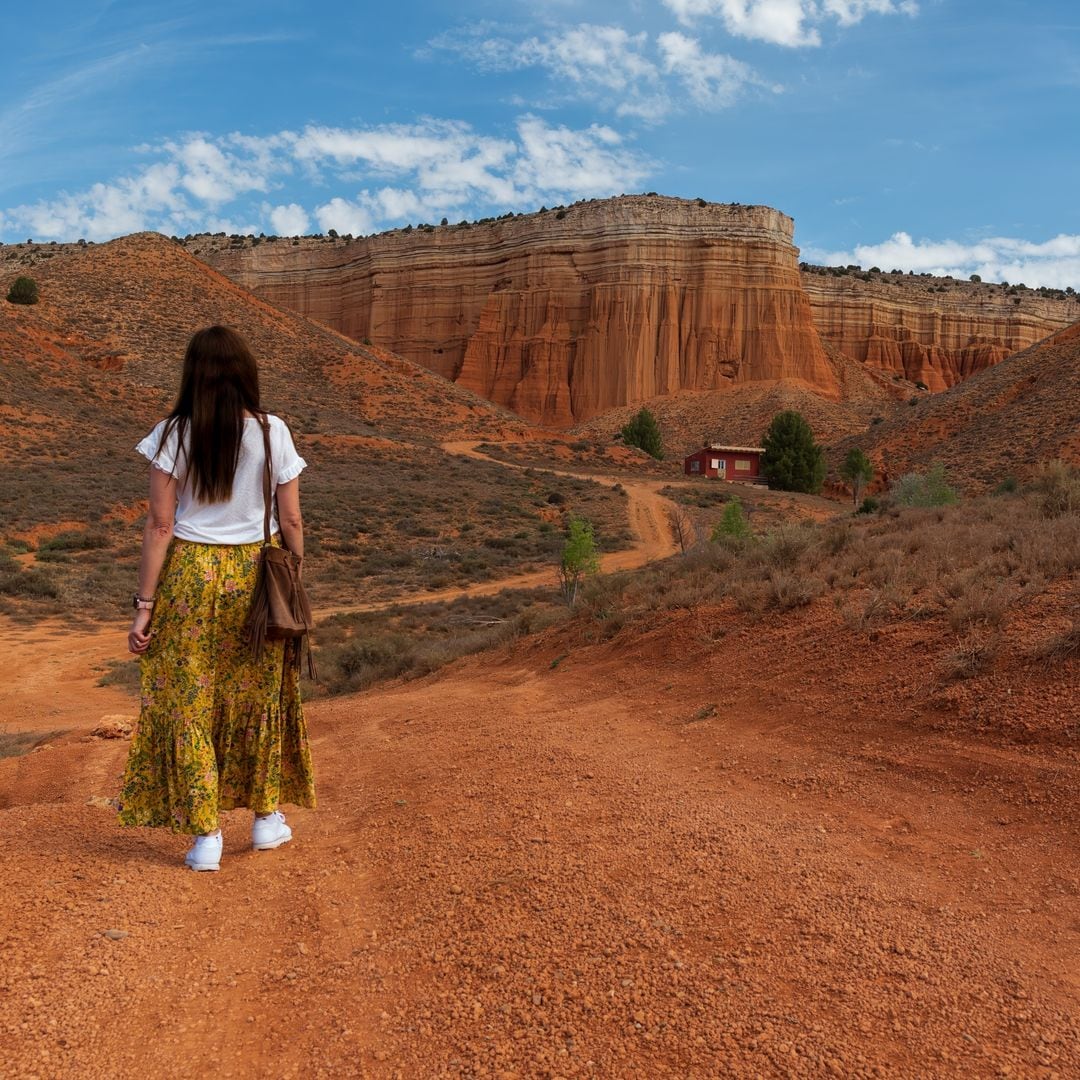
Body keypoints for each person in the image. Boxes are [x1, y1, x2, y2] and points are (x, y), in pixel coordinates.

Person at [117, 325, 316, 871]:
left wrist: (144, 606)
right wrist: (294, 577)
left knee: (190, 701)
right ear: (245, 372)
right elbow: (293, 517)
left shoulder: (172, 433)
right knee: (258, 699)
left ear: (193, 374)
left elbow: (160, 526)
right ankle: (265, 820)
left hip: (190, 580)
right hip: (257, 582)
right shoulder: (274, 432)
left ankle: (206, 837)